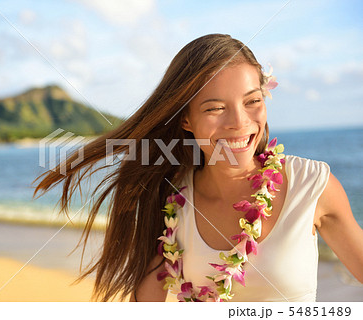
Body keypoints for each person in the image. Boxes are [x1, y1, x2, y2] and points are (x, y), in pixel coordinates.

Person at [32, 34, 363, 302]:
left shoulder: (311, 186)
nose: (239, 123)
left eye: (252, 101)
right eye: (216, 108)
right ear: (186, 119)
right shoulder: (171, 197)